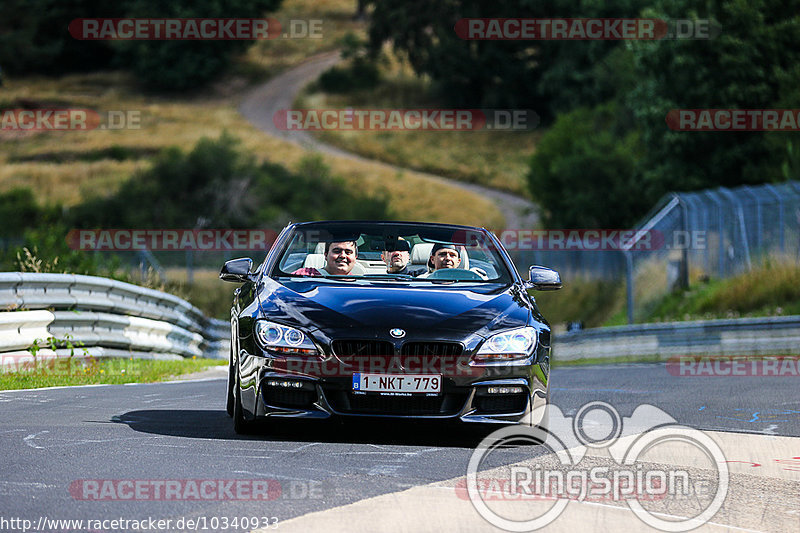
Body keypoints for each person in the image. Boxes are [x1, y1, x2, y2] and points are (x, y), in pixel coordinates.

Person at [292, 240, 358, 276]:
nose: (343, 256)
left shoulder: (362, 284)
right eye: (337, 251)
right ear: (326, 255)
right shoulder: (303, 274)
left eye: (348, 252)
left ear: (355, 257)